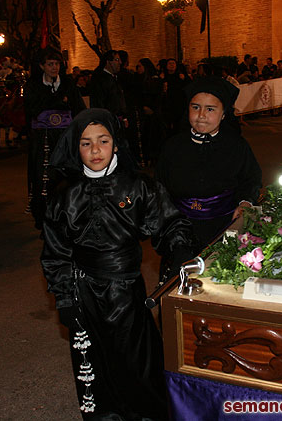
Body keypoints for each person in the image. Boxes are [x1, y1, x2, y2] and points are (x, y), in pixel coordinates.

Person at [41, 108, 195, 420]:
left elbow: (170, 224)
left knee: (137, 360)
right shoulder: (64, 195)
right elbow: (55, 251)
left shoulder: (139, 187)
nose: (95, 150)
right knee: (95, 362)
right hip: (83, 293)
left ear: (115, 143)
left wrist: (178, 250)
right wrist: (64, 297)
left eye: (103, 141)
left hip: (126, 291)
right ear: (75, 147)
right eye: (85, 143)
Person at [156, 77, 262, 253]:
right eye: (195, 107)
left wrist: (245, 203)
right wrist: (167, 220)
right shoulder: (173, 146)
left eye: (210, 109)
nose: (201, 115)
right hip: (181, 226)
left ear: (223, 113)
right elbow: (159, 186)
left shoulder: (236, 146)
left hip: (224, 224)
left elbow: (251, 179)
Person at [23, 48, 85, 227]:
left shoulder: (67, 83)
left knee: (67, 174)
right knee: (43, 177)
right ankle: (43, 216)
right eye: (50, 64)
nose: (54, 68)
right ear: (42, 66)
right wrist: (58, 101)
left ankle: (67, 214)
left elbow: (77, 107)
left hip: (64, 137)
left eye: (57, 64)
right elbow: (32, 109)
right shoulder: (33, 84)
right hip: (43, 139)